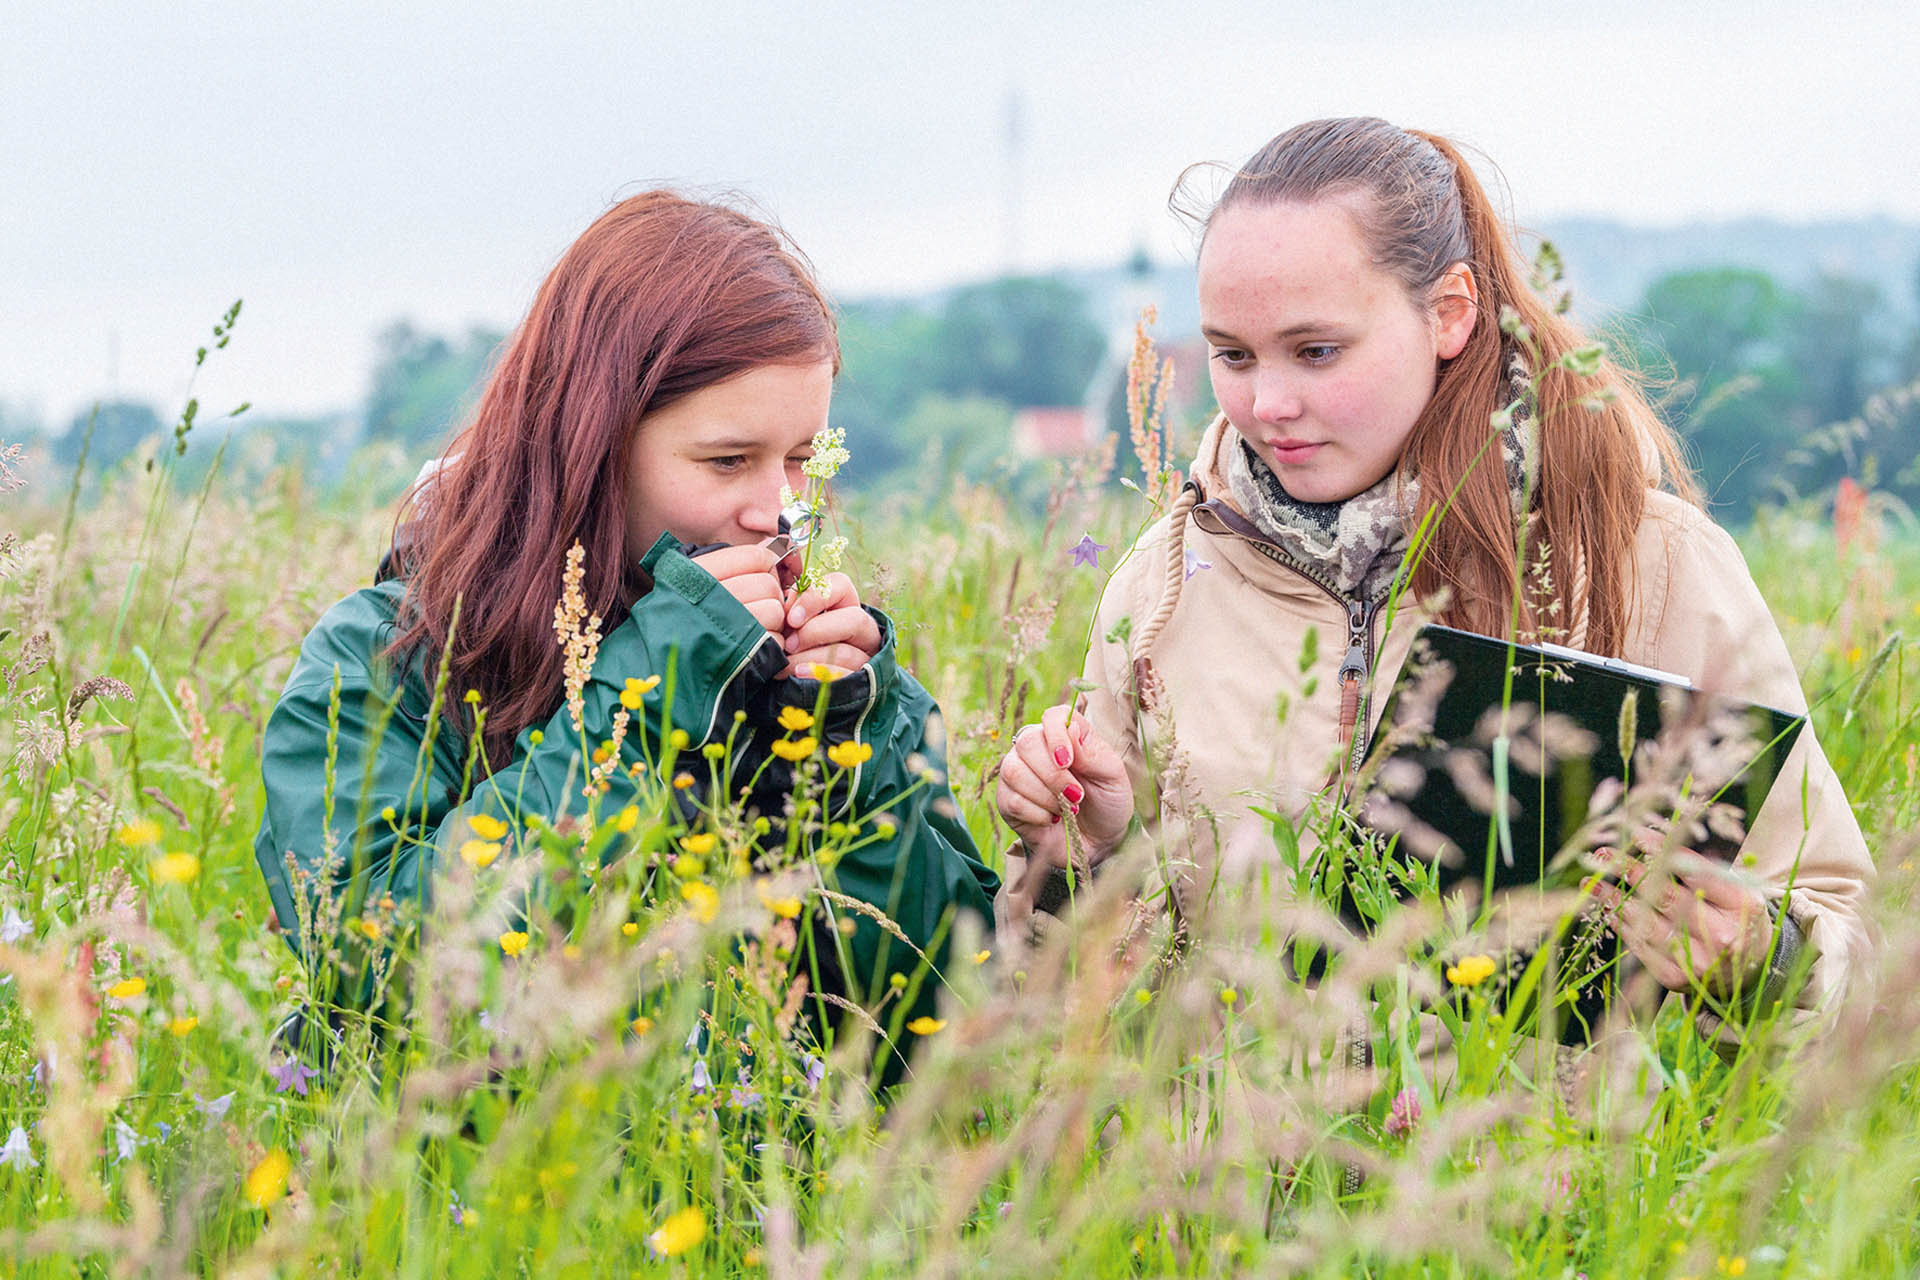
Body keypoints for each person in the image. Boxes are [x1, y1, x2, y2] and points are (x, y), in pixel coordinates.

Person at [994, 117, 1873, 1047]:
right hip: (1223, 1187)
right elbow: (1070, 1008)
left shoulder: (1644, 559)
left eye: (1317, 351)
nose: (1267, 404)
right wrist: (1087, 851)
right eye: (1233, 355)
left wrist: (1760, 957)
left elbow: (1853, 947)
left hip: (1547, 1183)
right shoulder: (1165, 584)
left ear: (1450, 313)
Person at [254, 191, 998, 1038]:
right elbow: (380, 971)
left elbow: (949, 1017)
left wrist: (846, 755)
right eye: (727, 461)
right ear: (592, 442)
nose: (775, 511)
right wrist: (651, 698)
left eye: (800, 461)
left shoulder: (822, 668)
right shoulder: (384, 659)